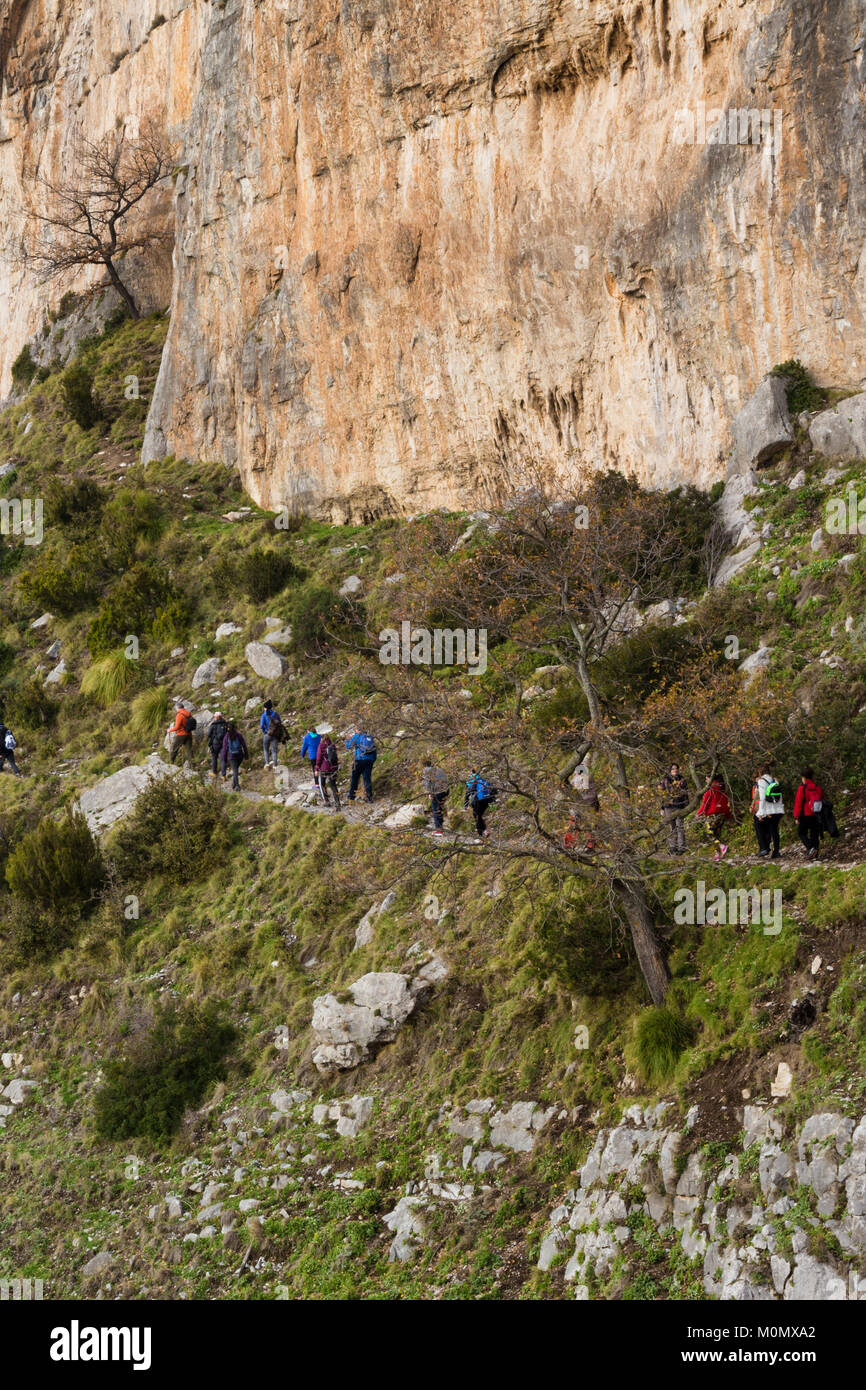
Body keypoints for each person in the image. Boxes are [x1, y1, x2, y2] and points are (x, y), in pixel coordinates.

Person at [751, 764, 784, 858]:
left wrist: (760, 813)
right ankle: (776, 851)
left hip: (769, 810)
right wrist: (781, 808)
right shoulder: (775, 780)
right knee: (774, 830)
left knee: (759, 825)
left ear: (760, 772)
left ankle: (764, 848)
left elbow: (762, 798)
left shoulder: (762, 781)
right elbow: (779, 796)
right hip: (778, 810)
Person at [696, 775, 732, 860]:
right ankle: (718, 854)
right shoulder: (723, 790)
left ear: (711, 779)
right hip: (722, 815)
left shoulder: (710, 790)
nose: (706, 781)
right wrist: (728, 815)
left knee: (709, 834)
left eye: (707, 779)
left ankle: (721, 846)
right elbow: (726, 804)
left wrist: (698, 814)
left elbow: (705, 804)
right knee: (717, 835)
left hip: (713, 816)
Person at [793, 767, 823, 860]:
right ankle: (815, 853)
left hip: (805, 814)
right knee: (814, 834)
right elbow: (822, 798)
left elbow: (798, 803)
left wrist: (796, 816)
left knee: (801, 832)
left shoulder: (802, 788)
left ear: (803, 777)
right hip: (816, 814)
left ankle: (811, 848)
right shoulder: (817, 787)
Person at [659, 762, 689, 854]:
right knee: (672, 827)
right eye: (673, 769)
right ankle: (672, 847)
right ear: (669, 770)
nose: (675, 770)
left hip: (679, 805)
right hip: (669, 807)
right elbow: (662, 794)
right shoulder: (665, 780)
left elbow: (685, 793)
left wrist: (686, 805)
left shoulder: (682, 779)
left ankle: (682, 848)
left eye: (676, 768)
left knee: (680, 826)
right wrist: (662, 807)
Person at [346, 727, 377, 803]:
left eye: (355, 730)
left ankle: (351, 796)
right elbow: (374, 750)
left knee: (355, 778)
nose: (355, 731)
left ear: (358, 730)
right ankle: (369, 797)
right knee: (367, 779)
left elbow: (349, 746)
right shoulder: (369, 737)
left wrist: (347, 739)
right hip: (369, 760)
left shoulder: (357, 736)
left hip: (359, 760)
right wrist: (372, 760)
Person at [465, 768, 497, 841]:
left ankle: (480, 836)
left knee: (477, 816)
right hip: (487, 800)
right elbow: (494, 790)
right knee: (478, 815)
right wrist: (493, 799)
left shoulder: (471, 780)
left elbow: (468, 792)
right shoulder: (484, 779)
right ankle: (484, 830)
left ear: (471, 772)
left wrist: (466, 804)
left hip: (478, 801)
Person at [221, 719, 249, 791]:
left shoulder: (226, 737)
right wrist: (246, 756)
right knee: (235, 770)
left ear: (227, 728)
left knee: (235, 771)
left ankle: (237, 786)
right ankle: (234, 784)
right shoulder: (239, 735)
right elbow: (244, 745)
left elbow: (224, 749)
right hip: (240, 755)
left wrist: (224, 759)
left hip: (231, 756)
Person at [422, 761, 449, 835]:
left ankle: (439, 830)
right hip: (445, 791)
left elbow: (428, 783)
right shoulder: (439, 769)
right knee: (439, 808)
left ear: (425, 765)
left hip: (437, 792)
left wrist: (430, 793)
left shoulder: (426, 771)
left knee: (435, 809)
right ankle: (441, 825)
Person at [315, 735, 341, 810]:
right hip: (333, 768)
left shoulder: (321, 746)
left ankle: (327, 801)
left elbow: (319, 758)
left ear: (322, 738)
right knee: (333, 786)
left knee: (322, 784)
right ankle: (337, 803)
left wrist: (316, 768)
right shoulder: (332, 745)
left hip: (324, 768)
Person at [261, 700, 286, 770]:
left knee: (265, 749)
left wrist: (265, 732)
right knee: (274, 751)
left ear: (266, 708)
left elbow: (262, 725)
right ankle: (275, 766)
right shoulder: (276, 714)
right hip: (275, 735)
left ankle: (267, 763)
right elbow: (280, 723)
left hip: (267, 735)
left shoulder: (264, 715)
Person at [207, 711, 228, 779]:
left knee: (214, 757)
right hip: (224, 743)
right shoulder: (225, 724)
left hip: (215, 743)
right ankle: (223, 775)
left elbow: (208, 734)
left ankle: (214, 772)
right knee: (223, 759)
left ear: (216, 717)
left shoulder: (213, 725)